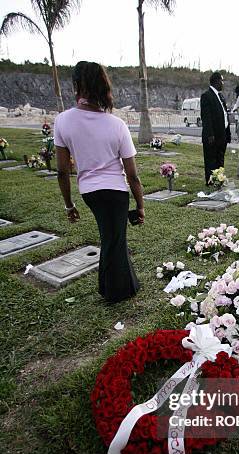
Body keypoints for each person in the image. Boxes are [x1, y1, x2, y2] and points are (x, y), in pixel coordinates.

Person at [54, 61, 145, 304]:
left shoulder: (63, 121)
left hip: (90, 192)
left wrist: (69, 205)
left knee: (113, 237)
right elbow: (132, 174)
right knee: (113, 240)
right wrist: (140, 205)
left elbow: (62, 171)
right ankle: (115, 292)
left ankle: (121, 285)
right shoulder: (116, 124)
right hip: (115, 192)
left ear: (76, 86)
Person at [200, 71, 231, 185]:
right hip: (213, 135)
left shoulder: (220, 96)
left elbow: (224, 114)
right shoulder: (206, 96)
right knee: (211, 159)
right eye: (222, 81)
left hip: (222, 134)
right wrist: (210, 134)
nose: (223, 83)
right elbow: (206, 117)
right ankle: (210, 181)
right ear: (216, 81)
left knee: (220, 158)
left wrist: (227, 133)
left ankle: (219, 178)